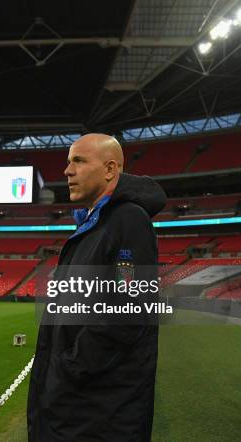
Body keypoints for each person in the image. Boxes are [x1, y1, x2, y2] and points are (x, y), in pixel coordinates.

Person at [27, 134, 166, 441]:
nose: (67, 171)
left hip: (98, 411)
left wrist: (69, 368)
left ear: (109, 169)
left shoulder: (128, 220)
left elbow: (127, 308)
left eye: (78, 160)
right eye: (68, 161)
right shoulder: (93, 224)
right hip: (81, 405)